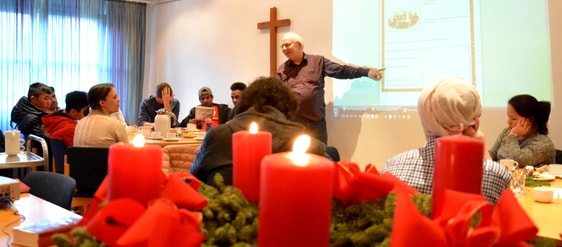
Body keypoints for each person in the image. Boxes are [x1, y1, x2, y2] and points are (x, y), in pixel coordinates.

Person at [381, 76, 511, 204]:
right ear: (475, 121)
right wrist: (485, 156)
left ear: (425, 118)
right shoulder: (496, 174)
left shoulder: (391, 168)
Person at [190, 77, 329, 187]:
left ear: (244, 102)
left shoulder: (218, 135)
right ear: (289, 107)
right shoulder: (309, 146)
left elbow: (191, 183)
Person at [276, 32, 385, 144]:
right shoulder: (281, 69)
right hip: (293, 125)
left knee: (320, 158)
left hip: (316, 124)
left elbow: (342, 71)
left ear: (299, 45)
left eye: (287, 45)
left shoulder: (318, 62)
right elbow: (277, 95)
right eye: (282, 46)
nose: (284, 49)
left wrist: (366, 72)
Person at [488, 94, 555, 167]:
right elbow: (492, 154)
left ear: (529, 120)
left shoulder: (543, 143)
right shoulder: (507, 131)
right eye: (508, 117)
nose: (508, 122)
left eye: (513, 119)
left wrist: (513, 135)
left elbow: (516, 162)